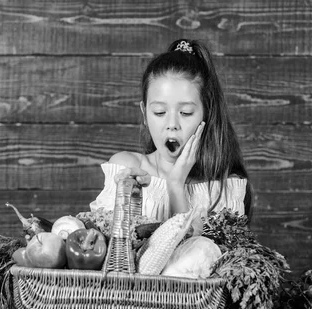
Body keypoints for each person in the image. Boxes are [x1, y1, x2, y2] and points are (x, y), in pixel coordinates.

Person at [90, 38, 252, 225]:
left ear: (206, 115)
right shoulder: (126, 167)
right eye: (159, 112)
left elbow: (197, 253)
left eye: (185, 113)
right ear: (144, 113)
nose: (172, 124)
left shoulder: (224, 188)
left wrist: (175, 185)